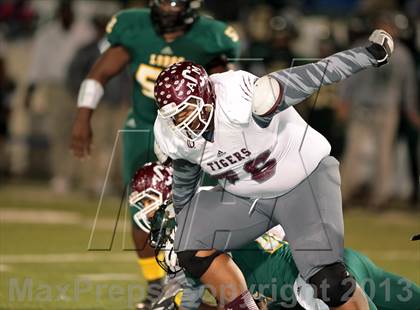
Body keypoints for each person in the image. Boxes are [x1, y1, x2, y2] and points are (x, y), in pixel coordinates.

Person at [152, 29, 394, 309]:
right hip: (246, 197)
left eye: (187, 110)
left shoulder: (243, 99)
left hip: (304, 178)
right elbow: (185, 175)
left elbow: (316, 73)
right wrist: (183, 217)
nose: (183, 122)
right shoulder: (172, 134)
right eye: (174, 115)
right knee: (188, 244)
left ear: (207, 96)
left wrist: (366, 55)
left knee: (328, 280)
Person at [70, 1, 240, 308]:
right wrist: (83, 116)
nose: (167, 8)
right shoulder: (135, 28)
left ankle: (209, 282)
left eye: (174, 2)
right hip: (144, 130)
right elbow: (99, 73)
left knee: (198, 209)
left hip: (189, 134)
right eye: (162, 0)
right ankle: (154, 285)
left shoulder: (210, 36)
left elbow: (224, 83)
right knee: (142, 208)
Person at [130, 162, 420, 310]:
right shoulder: (204, 215)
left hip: (311, 286)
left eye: (148, 201)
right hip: (321, 271)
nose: (145, 211)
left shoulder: (200, 225)